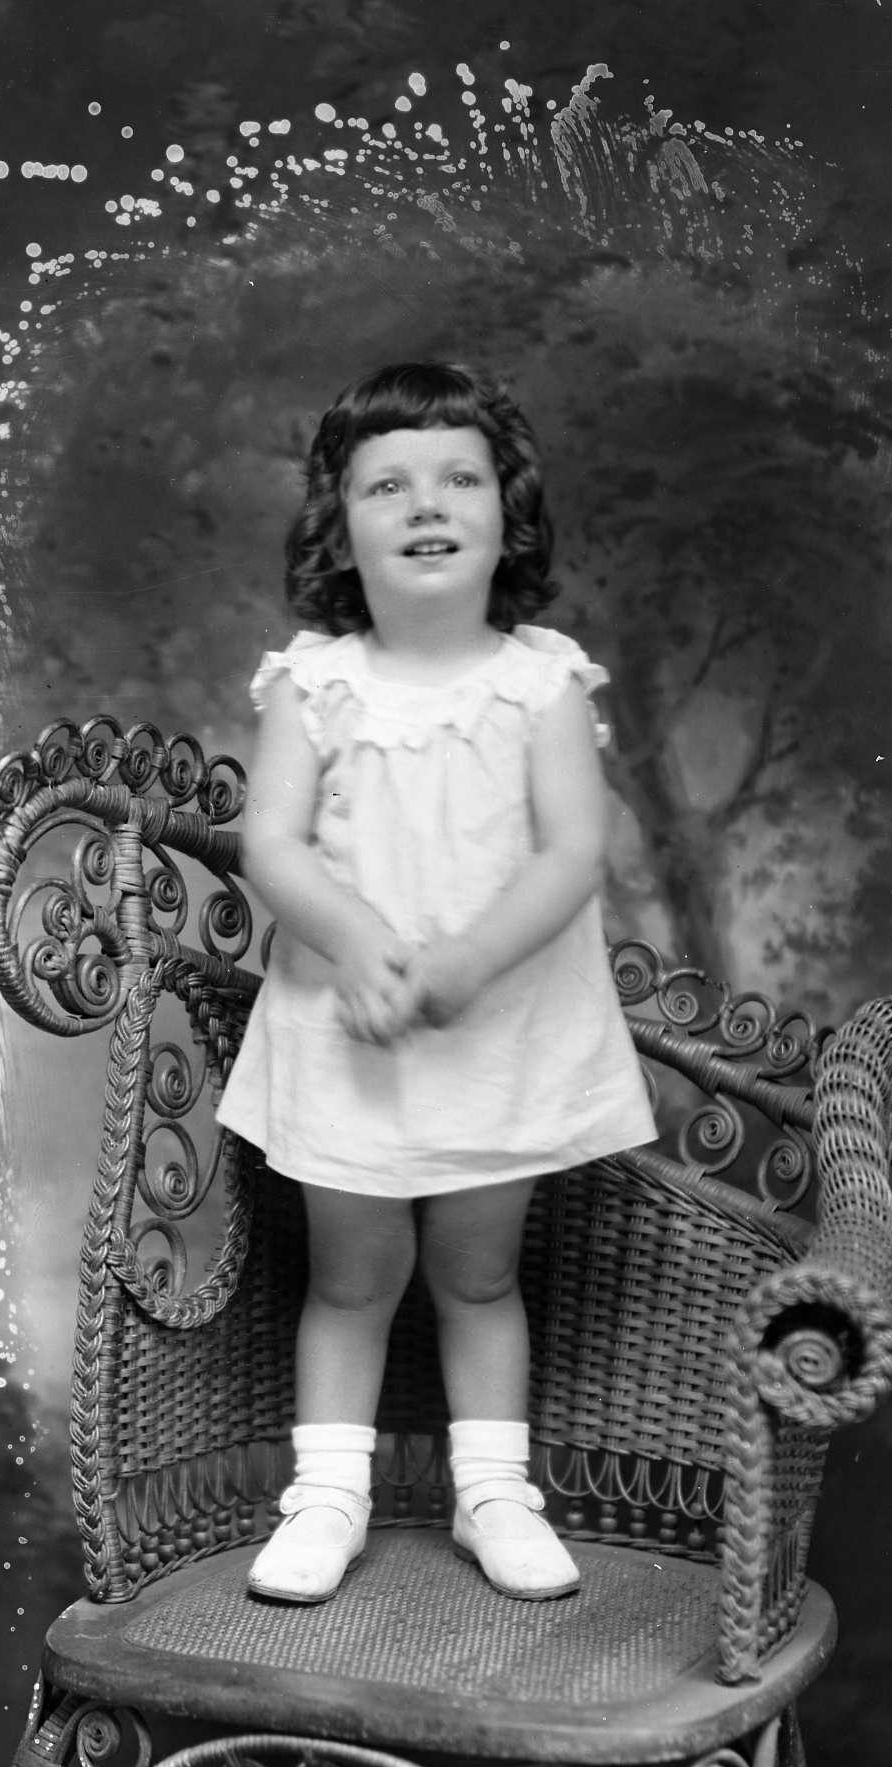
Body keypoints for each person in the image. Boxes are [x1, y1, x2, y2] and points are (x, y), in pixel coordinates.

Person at [217, 362, 657, 1605]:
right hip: (348, 1030)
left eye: (458, 477)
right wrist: (357, 943)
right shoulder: (313, 684)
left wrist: (464, 962)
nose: (425, 503)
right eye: (387, 485)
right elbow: (272, 844)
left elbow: (571, 853)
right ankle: (327, 1499)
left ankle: (493, 1493)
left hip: (493, 1030)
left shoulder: (540, 685)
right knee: (351, 1279)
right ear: (339, 529)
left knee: (477, 1275)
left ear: (506, 518)